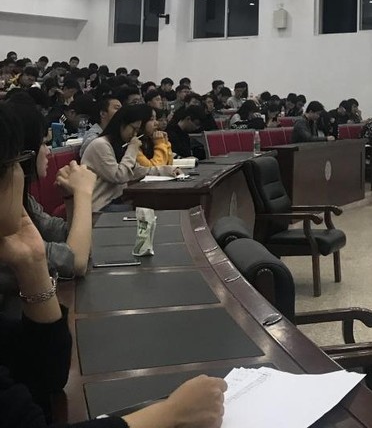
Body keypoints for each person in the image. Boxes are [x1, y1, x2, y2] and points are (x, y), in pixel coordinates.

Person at [0, 105, 228, 426]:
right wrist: (170, 413)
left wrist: (34, 265)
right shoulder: (101, 146)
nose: (47, 152)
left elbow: (46, 377)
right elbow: (76, 258)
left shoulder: (25, 218)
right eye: (17, 160)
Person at [0, 98, 96, 285]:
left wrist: (70, 197)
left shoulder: (25, 201)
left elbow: (79, 245)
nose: (48, 152)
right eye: (43, 143)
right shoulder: (6, 214)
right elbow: (75, 262)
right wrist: (83, 193)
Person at [83, 104, 177, 212]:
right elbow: (119, 176)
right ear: (122, 124)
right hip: (100, 206)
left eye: (137, 130)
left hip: (117, 200)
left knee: (156, 205)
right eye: (133, 129)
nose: (134, 134)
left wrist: (167, 170)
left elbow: (136, 170)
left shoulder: (119, 145)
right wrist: (132, 149)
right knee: (150, 210)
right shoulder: (100, 145)